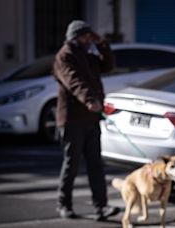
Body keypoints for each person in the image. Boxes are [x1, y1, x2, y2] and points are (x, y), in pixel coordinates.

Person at [53, 20, 119, 221]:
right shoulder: (64, 56)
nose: (89, 39)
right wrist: (91, 100)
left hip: (91, 118)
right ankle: (64, 204)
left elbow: (107, 65)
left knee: (95, 165)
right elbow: (74, 81)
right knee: (71, 164)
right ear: (75, 37)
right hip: (72, 119)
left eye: (90, 36)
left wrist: (102, 44)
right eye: (86, 36)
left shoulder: (88, 56)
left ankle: (101, 207)